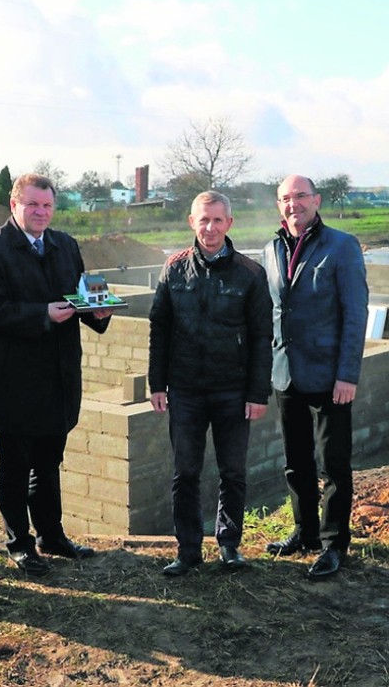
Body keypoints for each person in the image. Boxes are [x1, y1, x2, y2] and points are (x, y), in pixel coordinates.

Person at [0, 173, 111, 575]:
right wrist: (40, 314)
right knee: (15, 466)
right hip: (15, 378)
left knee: (49, 461)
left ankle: (51, 534)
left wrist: (98, 313)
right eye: (33, 205)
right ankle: (19, 542)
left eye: (47, 206)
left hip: (60, 376)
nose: (41, 212)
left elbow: (83, 295)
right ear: (14, 206)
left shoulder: (65, 244)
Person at [148, 190, 273, 576]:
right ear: (191, 222)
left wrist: (257, 392)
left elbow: (260, 336)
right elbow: (160, 328)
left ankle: (229, 545)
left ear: (229, 224)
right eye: (203, 219)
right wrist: (157, 383)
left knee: (232, 471)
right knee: (185, 472)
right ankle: (187, 550)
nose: (210, 227)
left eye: (218, 220)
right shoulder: (174, 268)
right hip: (185, 390)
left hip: (232, 391)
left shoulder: (250, 274)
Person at [262, 175, 368, 580]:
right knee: (295, 462)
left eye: (301, 196)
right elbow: (271, 310)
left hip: (329, 376)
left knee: (334, 465)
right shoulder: (272, 248)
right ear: (279, 205)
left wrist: (348, 375)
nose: (294, 204)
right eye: (286, 198)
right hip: (285, 373)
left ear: (317, 200)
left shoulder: (342, 246)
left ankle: (333, 545)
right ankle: (304, 532)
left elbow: (355, 314)